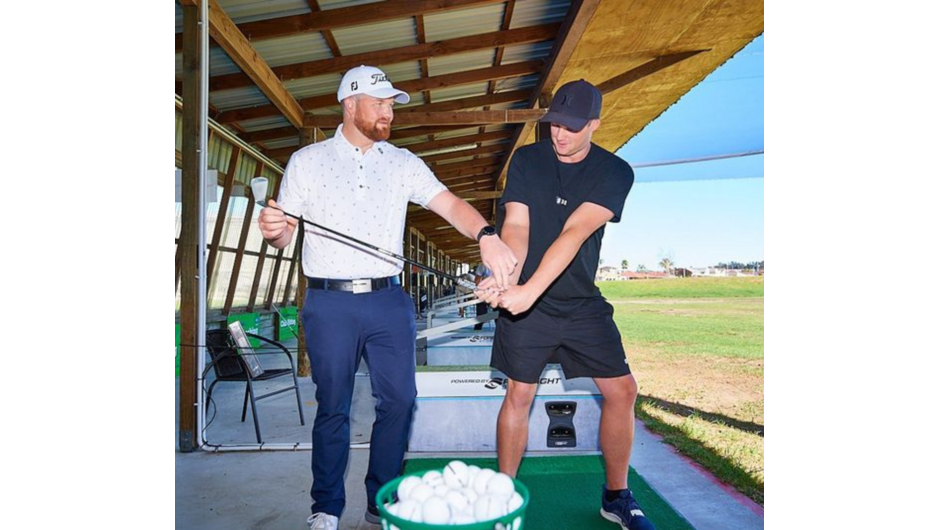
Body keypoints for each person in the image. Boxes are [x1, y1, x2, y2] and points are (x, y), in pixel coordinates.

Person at [258, 65, 517, 530]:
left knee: (400, 400)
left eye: (391, 104)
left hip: (388, 300)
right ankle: (326, 508)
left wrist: (486, 234)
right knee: (333, 404)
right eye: (380, 103)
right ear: (349, 103)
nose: (389, 113)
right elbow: (283, 231)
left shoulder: (402, 163)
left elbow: (449, 203)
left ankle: (381, 499)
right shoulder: (307, 161)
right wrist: (275, 231)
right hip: (329, 303)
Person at [476, 79, 656, 530]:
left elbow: (574, 233)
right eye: (556, 123)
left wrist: (527, 291)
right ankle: (504, 497)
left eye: (573, 127)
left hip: (579, 303)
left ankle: (616, 496)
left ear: (594, 124)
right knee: (520, 393)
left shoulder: (615, 172)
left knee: (623, 390)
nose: (561, 134)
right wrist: (504, 278)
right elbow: (516, 224)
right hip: (526, 299)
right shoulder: (528, 159)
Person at [472, 264, 490, 331]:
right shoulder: (483, 266)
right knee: (481, 315)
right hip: (485, 290)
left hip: (499, 291)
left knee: (500, 317)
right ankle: (477, 330)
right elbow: (477, 280)